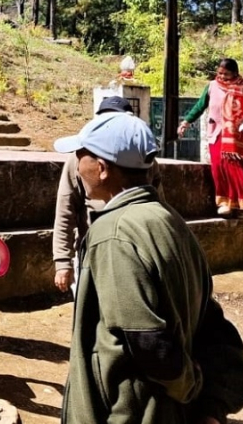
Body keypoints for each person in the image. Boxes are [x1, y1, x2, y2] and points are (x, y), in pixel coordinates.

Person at [55, 112, 243, 424]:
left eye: (81, 155)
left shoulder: (113, 234)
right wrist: (209, 402)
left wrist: (189, 388)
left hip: (133, 413)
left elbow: (147, 341)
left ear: (101, 169)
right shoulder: (171, 220)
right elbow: (211, 322)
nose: (77, 163)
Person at [52, 96, 163, 294]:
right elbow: (65, 209)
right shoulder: (79, 160)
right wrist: (62, 261)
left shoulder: (146, 164)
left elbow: (159, 203)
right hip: (92, 249)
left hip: (135, 250)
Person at [178, 58, 243, 217]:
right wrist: (186, 122)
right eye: (219, 73)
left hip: (236, 137)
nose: (221, 77)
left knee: (235, 168)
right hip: (216, 134)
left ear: (235, 73)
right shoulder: (212, 87)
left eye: (226, 74)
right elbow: (200, 107)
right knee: (218, 167)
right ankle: (224, 203)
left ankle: (239, 204)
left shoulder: (241, 89)